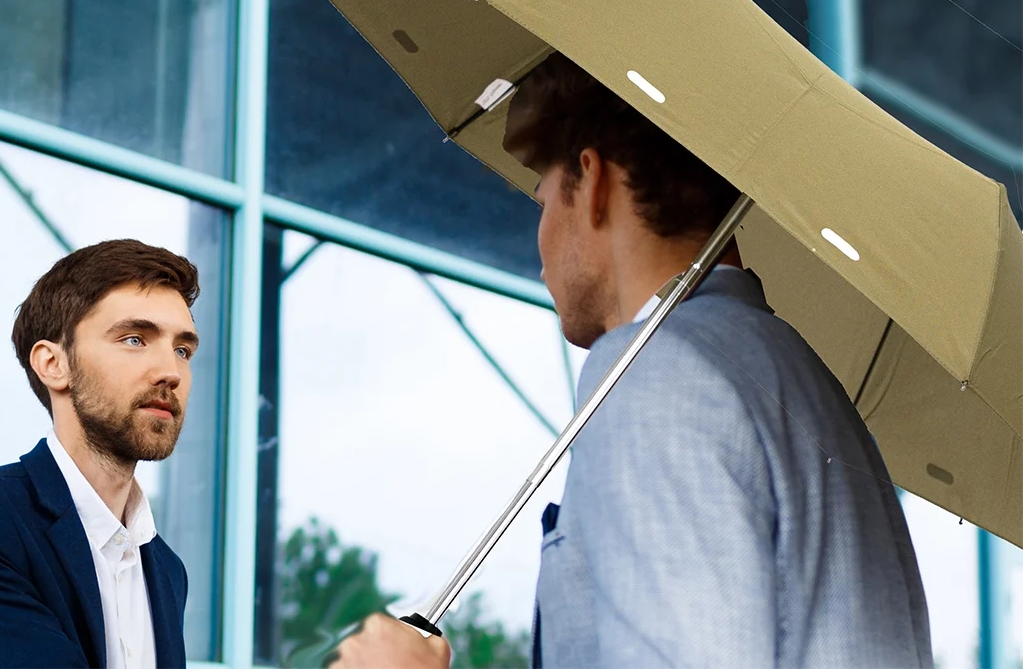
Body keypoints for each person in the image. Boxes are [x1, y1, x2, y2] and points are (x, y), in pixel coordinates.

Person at [329, 53, 932, 668]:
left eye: (543, 199)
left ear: (592, 184)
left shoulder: (658, 374)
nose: (540, 243)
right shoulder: (811, 394)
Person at [0, 239, 202, 668]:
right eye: (135, 339)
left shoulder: (166, 570)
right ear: (54, 364)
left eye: (182, 350)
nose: (171, 372)